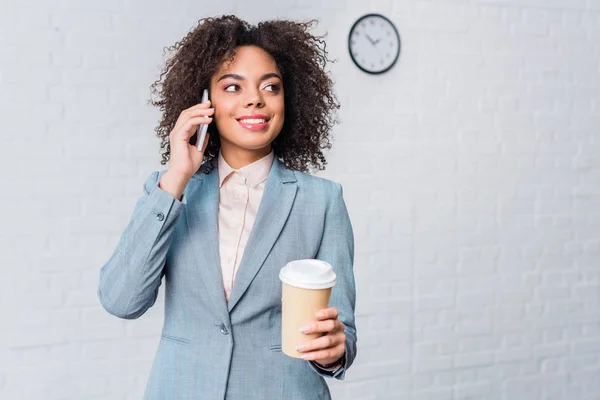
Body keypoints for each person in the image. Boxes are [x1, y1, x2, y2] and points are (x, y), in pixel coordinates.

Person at [98, 15, 356, 400]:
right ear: (205, 104)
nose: (255, 99)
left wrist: (334, 351)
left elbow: (342, 331)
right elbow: (121, 299)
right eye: (232, 86)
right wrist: (176, 178)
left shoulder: (322, 200)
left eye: (271, 86)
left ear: (290, 100)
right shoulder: (170, 192)